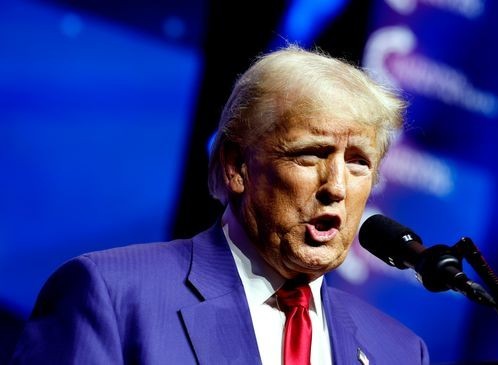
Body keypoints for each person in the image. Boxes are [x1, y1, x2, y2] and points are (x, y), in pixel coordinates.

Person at [11, 45, 429, 364]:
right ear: (236, 166)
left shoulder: (401, 351)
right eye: (311, 154)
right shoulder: (111, 295)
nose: (336, 187)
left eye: (359, 163)